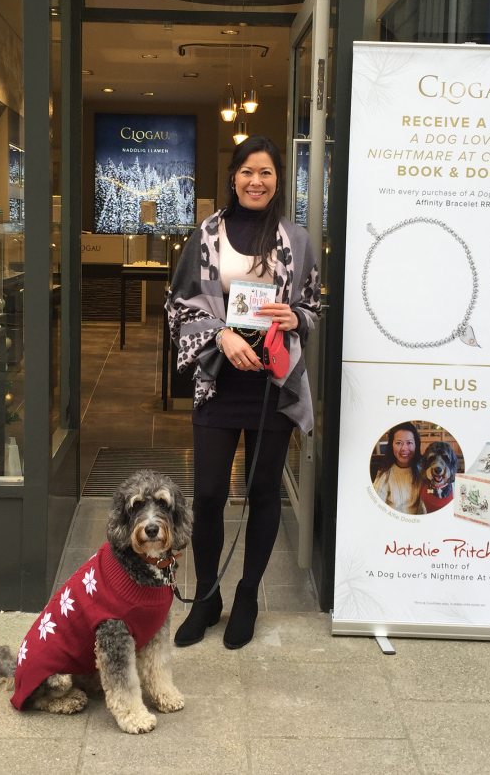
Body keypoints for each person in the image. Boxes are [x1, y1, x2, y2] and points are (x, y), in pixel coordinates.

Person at [165, 135, 321, 649]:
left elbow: (316, 309)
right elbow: (179, 305)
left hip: (272, 383)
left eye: (267, 173)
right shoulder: (206, 235)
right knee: (208, 494)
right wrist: (221, 333)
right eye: (248, 172)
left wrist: (294, 315)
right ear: (233, 177)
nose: (257, 181)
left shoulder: (296, 240)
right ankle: (207, 595)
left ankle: (248, 594)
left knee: (262, 492)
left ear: (279, 181)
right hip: (218, 379)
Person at [371, 422, 425, 515]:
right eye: (399, 443)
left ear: (416, 445)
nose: (404, 448)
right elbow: (375, 508)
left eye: (409, 443)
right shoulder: (385, 473)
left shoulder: (424, 471)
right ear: (391, 445)